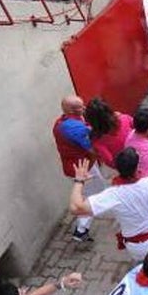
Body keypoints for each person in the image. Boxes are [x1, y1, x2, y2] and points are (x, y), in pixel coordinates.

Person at [68, 148, 148, 252]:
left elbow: (76, 208)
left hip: (134, 247)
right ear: (137, 167)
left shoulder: (112, 194)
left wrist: (79, 181)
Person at [52, 95, 102, 243]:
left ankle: (82, 227)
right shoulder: (73, 128)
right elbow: (92, 149)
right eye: (81, 107)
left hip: (79, 166)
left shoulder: (64, 121)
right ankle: (81, 229)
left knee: (91, 194)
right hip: (82, 168)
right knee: (93, 196)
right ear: (72, 110)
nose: (84, 108)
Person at [84, 96, 135, 173]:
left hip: (127, 167)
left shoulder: (97, 140)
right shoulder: (124, 118)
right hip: (143, 153)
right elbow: (140, 127)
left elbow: (110, 161)